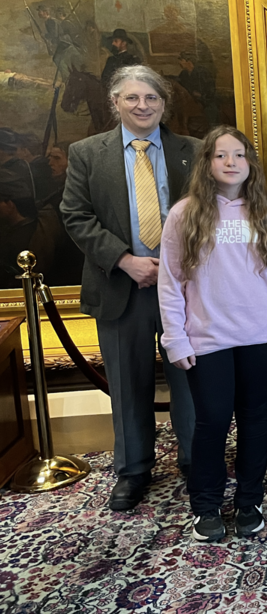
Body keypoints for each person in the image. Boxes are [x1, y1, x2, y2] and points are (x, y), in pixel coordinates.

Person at [60, 65, 198, 510]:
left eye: (152, 98)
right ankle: (134, 468)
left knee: (191, 379)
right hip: (122, 287)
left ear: (164, 102)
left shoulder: (193, 152)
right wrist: (125, 260)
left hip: (184, 289)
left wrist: (180, 265)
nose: (143, 106)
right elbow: (75, 216)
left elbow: (214, 214)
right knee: (126, 382)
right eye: (132, 98)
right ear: (114, 102)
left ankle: (196, 461)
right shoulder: (86, 153)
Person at [158, 126, 267, 542]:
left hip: (256, 336)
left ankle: (250, 501)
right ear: (207, 163)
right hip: (207, 339)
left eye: (239, 154)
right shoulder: (185, 214)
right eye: (221, 155)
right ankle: (205, 505)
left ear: (250, 162)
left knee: (256, 422)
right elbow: (171, 281)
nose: (231, 162)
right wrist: (175, 338)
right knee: (213, 422)